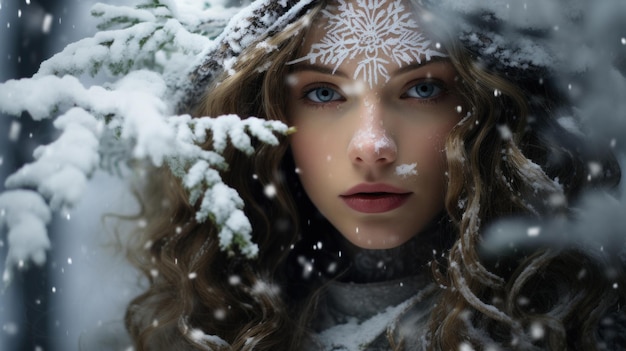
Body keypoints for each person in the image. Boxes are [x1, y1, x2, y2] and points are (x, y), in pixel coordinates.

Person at [124, 0, 625, 350]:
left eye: (422, 89)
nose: (373, 147)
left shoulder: (592, 321)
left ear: (491, 108)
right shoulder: (199, 323)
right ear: (265, 114)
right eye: (324, 93)